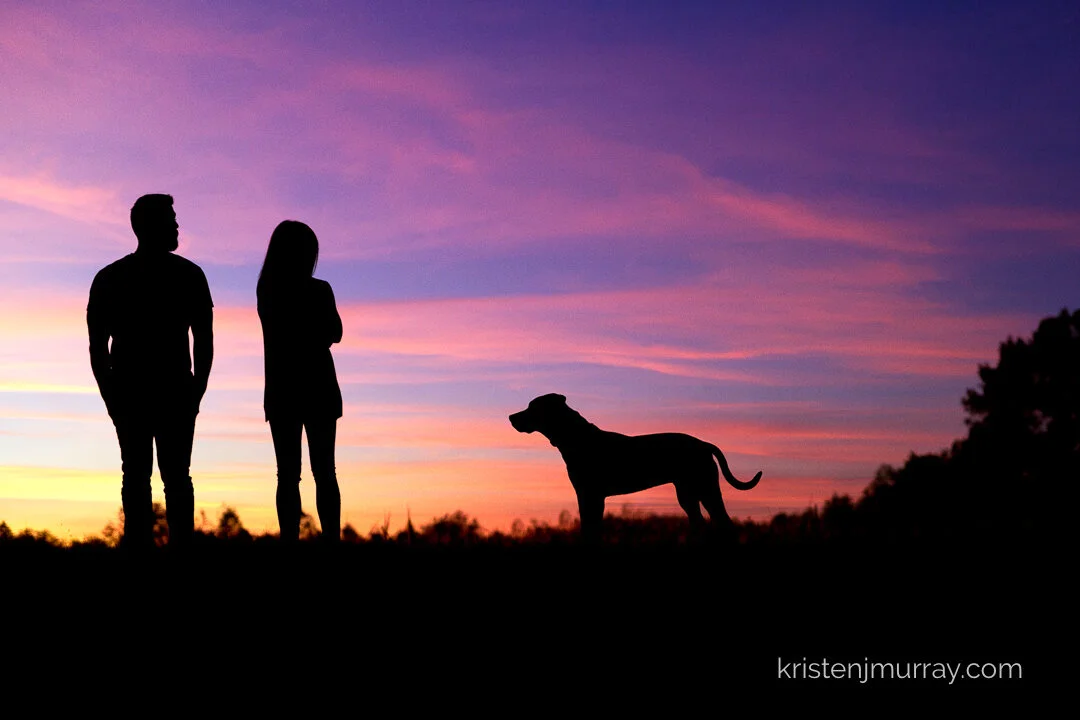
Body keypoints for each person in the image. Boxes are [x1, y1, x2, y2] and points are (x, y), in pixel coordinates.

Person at [87, 194, 214, 549]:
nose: (176, 225)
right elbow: (98, 347)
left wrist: (196, 392)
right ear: (148, 225)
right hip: (147, 394)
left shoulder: (184, 275)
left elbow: (204, 341)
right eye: (171, 218)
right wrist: (112, 398)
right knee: (153, 479)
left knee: (159, 480)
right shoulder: (115, 278)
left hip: (166, 393)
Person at [257, 220, 342, 543]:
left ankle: (291, 543)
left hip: (283, 391)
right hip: (315, 388)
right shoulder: (318, 290)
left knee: (289, 475)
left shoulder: (267, 290)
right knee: (324, 472)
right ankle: (329, 541)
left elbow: (330, 333)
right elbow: (334, 332)